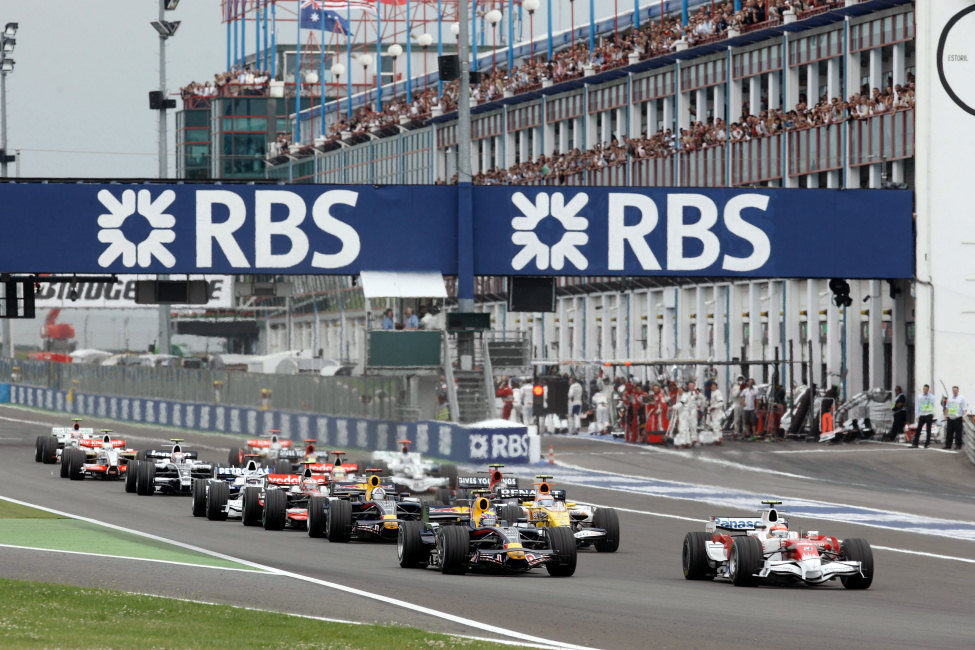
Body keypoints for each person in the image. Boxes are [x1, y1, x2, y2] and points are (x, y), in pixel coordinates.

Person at [943, 385, 968, 450]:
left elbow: (964, 408)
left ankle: (958, 445)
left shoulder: (961, 398)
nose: (954, 391)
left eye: (955, 390)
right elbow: (947, 407)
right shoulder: (950, 398)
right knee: (949, 432)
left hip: (958, 417)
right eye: (953, 390)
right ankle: (948, 445)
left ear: (958, 390)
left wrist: (964, 416)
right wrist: (946, 415)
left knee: (958, 433)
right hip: (950, 417)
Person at [913, 384, 936, 448]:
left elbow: (933, 402)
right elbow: (917, 406)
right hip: (922, 414)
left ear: (928, 390)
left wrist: (929, 396)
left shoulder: (931, 396)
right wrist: (917, 415)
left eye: (926, 389)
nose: (925, 390)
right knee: (918, 429)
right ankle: (915, 443)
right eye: (924, 389)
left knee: (928, 430)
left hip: (929, 414)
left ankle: (927, 444)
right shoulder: (920, 396)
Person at [707, 380, 725, 444]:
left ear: (716, 386)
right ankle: (717, 438)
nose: (713, 387)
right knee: (715, 426)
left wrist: (714, 407)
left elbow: (721, 403)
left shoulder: (718, 392)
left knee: (716, 425)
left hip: (717, 412)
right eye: (712, 386)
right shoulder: (712, 392)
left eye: (714, 385)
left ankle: (718, 439)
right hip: (713, 412)